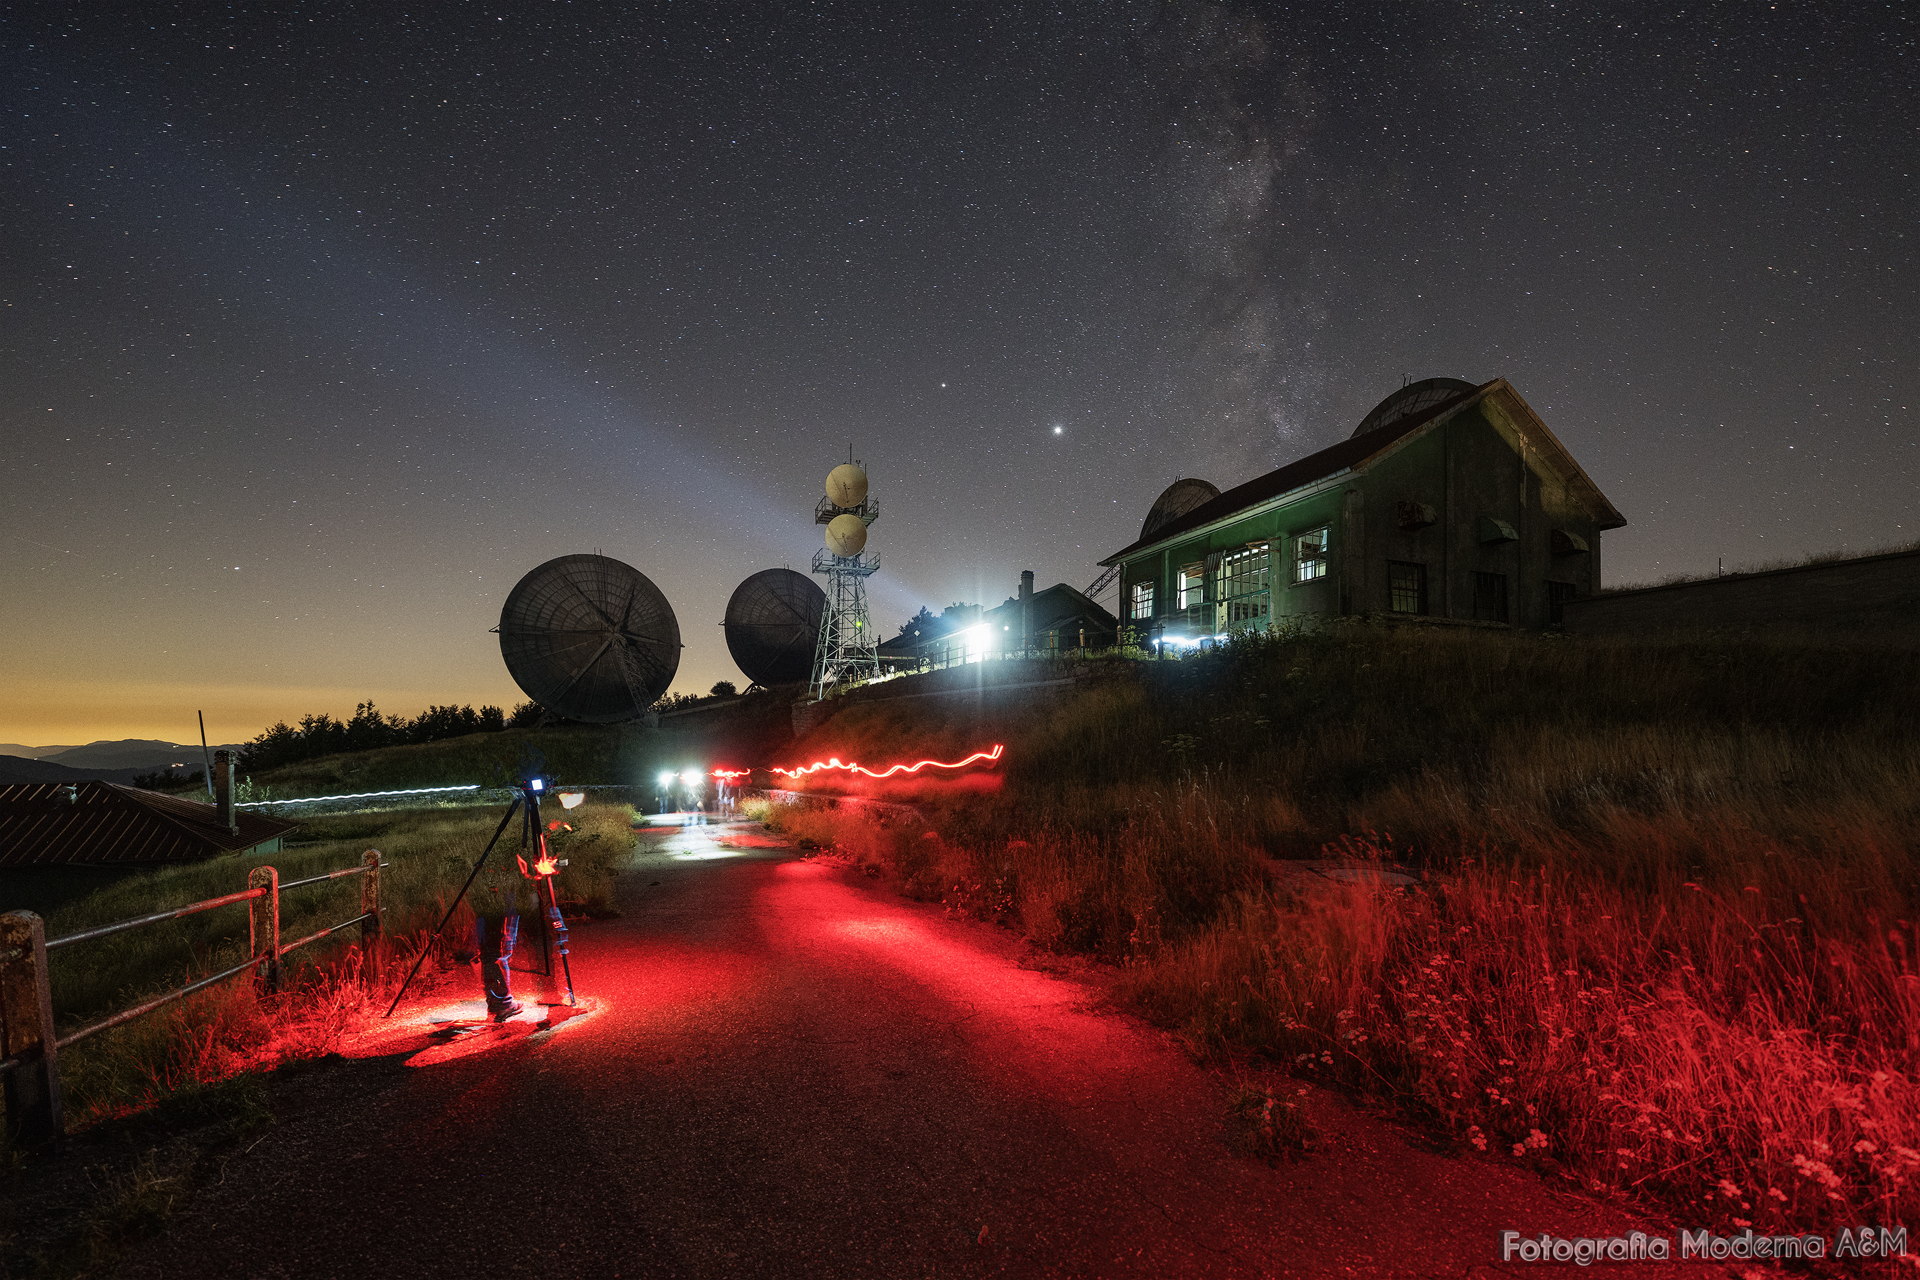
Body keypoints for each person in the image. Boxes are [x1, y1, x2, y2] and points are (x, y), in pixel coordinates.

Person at [474, 824, 570, 1021]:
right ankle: (504, 1003)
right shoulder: (513, 828)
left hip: (502, 888)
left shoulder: (506, 826)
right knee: (499, 947)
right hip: (506, 891)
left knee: (518, 943)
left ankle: (538, 995)